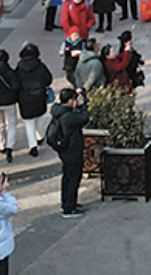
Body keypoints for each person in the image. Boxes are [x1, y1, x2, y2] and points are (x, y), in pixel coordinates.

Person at [45, 87, 90, 217]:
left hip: (65, 151)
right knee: (73, 179)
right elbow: (84, 118)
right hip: (73, 150)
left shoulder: (59, 112)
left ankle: (67, 202)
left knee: (67, 177)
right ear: (70, 101)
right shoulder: (69, 116)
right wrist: (82, 105)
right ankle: (69, 208)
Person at [15, 43, 54, 157]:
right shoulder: (40, 66)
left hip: (25, 98)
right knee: (40, 117)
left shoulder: (19, 68)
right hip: (39, 96)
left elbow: (16, 84)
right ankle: (40, 136)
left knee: (28, 123)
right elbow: (48, 79)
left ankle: (32, 145)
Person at [59, 0, 95, 84]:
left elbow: (91, 18)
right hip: (72, 38)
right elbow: (64, 21)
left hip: (83, 36)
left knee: (82, 56)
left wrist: (87, 26)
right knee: (71, 59)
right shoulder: (68, 6)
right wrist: (72, 33)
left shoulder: (87, 5)